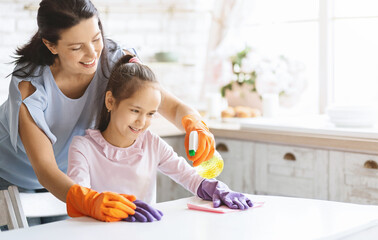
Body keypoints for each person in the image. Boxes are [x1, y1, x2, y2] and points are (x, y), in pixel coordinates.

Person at [0, 0, 214, 226]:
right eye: (76, 47)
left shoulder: (113, 59)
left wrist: (195, 124)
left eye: (96, 38)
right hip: (11, 176)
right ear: (51, 45)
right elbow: (45, 169)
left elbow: (172, 105)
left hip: (69, 178)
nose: (92, 53)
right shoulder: (29, 86)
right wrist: (89, 200)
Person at [67, 55, 253, 222]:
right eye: (135, 111)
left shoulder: (151, 143)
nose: (141, 122)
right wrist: (111, 210)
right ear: (110, 101)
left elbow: (188, 176)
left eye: (150, 114)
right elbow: (80, 197)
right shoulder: (83, 147)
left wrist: (214, 188)